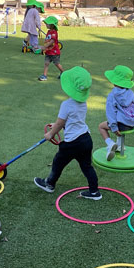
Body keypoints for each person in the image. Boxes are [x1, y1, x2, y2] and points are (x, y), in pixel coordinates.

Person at [34, 66, 101, 200]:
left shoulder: (66, 104)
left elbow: (60, 123)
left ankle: (49, 184)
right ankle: (94, 192)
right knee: (87, 166)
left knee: (58, 162)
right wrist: (58, 125)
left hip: (72, 143)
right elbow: (71, 121)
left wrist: (51, 134)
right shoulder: (83, 103)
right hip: (86, 139)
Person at [98, 65, 134, 161]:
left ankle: (110, 144)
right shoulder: (130, 93)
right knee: (120, 119)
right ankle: (119, 146)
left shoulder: (112, 95)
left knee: (101, 127)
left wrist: (113, 127)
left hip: (120, 125)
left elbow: (111, 112)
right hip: (131, 123)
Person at [38, 16, 63, 81]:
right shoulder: (49, 31)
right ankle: (44, 75)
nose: (46, 24)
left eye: (47, 24)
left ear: (52, 25)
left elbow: (52, 41)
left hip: (54, 52)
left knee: (56, 63)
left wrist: (45, 46)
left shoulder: (54, 33)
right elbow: (47, 40)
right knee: (46, 63)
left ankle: (63, 72)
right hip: (48, 51)